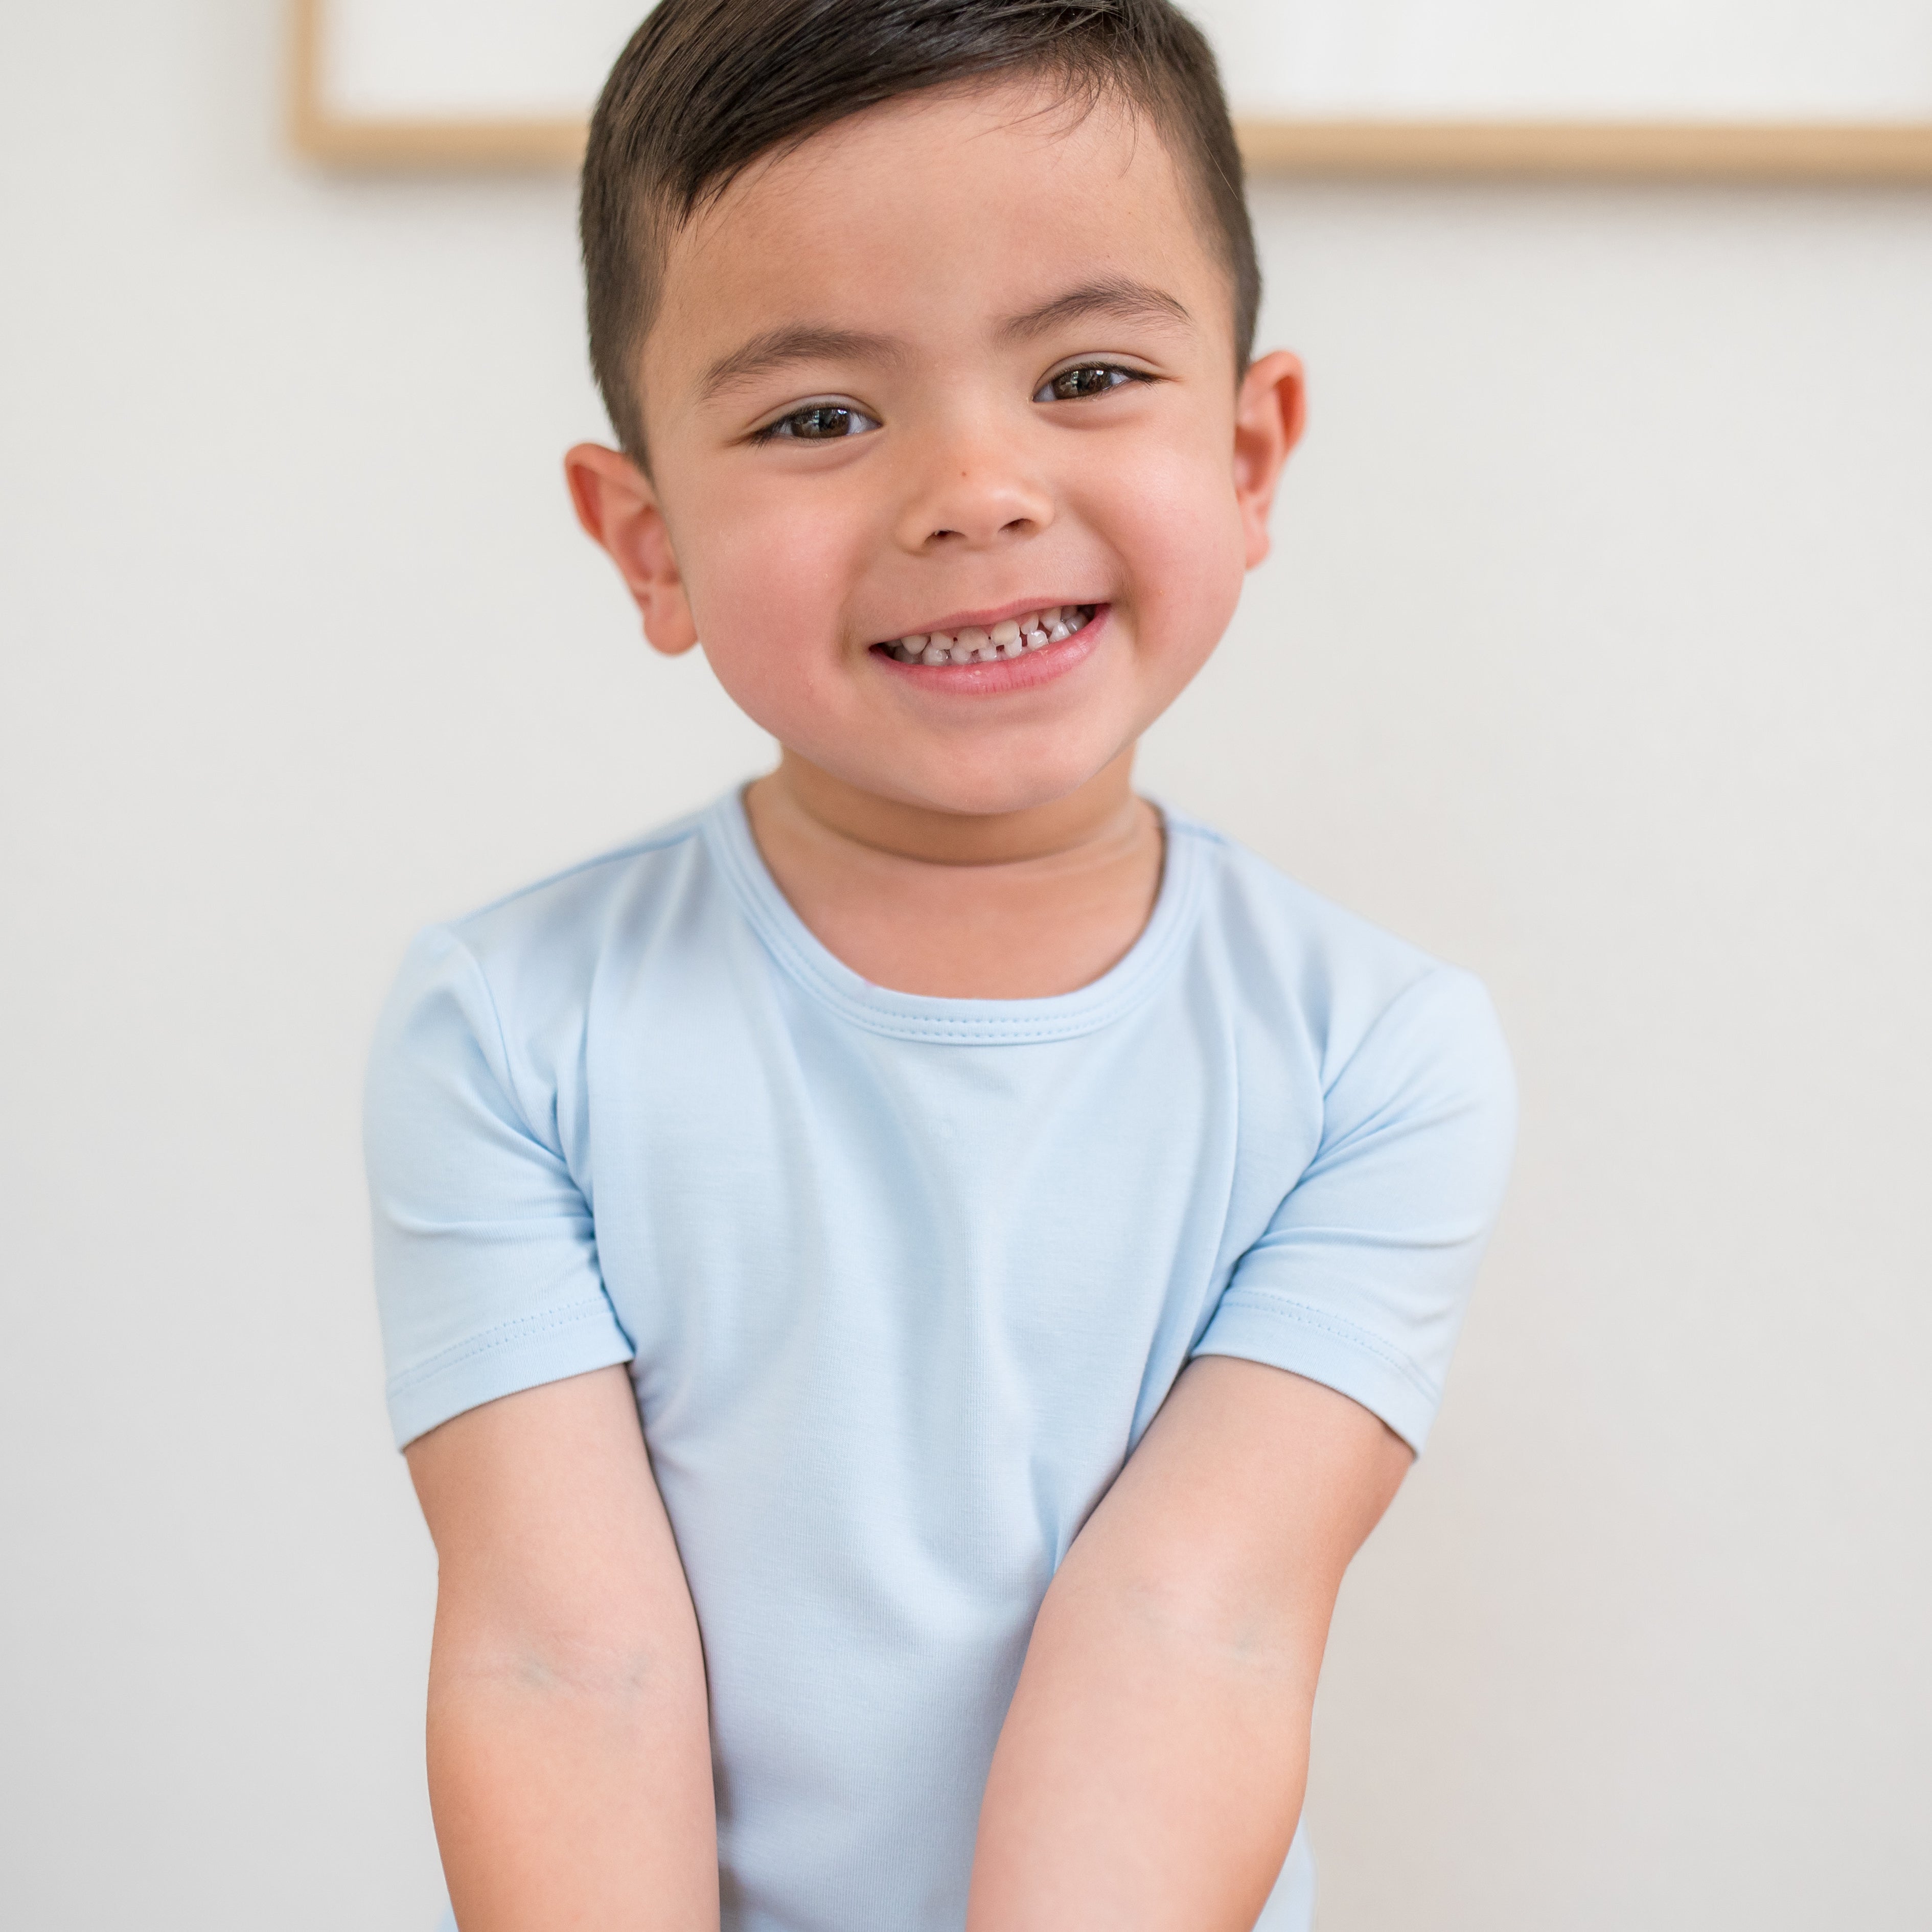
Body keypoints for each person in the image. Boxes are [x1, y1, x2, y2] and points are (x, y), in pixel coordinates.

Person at [363, 3, 1516, 1928]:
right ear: (645, 540)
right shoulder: (510, 1024)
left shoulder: (1374, 1054)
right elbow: (566, 1665)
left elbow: (1195, 1630)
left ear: (1247, 453)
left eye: (1082, 372)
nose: (974, 488)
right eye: (820, 414)